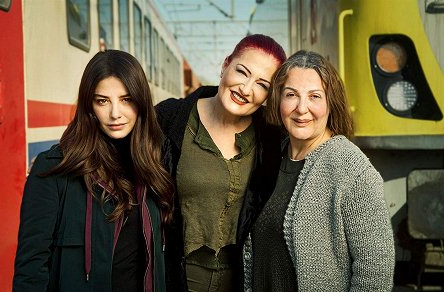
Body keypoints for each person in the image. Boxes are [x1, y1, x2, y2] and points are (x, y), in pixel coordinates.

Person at [13, 50, 173, 292]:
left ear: (141, 102)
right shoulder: (54, 169)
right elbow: (31, 268)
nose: (115, 113)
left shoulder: (155, 165)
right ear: (89, 106)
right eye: (102, 101)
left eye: (126, 99)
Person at [243, 50, 395, 291]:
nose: (302, 108)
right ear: (278, 100)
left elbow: (375, 272)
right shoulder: (269, 157)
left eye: (315, 96)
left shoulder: (352, 170)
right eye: (291, 95)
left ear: (330, 103)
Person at [156, 34, 286, 292]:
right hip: (175, 279)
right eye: (242, 72)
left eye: (262, 84)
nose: (246, 89)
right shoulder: (169, 119)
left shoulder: (272, 140)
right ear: (226, 65)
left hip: (242, 282)